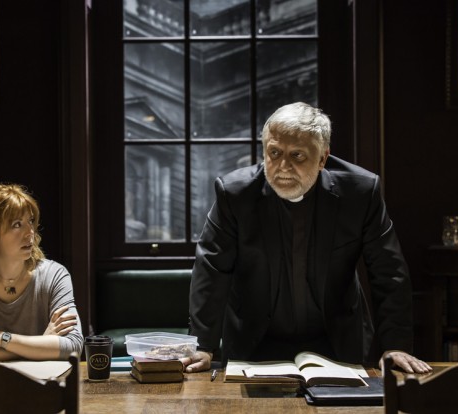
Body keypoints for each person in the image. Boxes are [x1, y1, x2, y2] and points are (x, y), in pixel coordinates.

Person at [184, 102, 432, 375]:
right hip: (254, 339)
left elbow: (388, 271)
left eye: (297, 156)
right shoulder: (235, 194)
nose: (283, 166)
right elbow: (212, 268)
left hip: (336, 338)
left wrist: (396, 345)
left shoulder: (360, 193)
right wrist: (203, 345)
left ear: (323, 159)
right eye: (274, 153)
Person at [0, 183, 84, 363]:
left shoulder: (55, 275)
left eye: (31, 221)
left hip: (43, 386)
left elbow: (73, 347)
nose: (30, 233)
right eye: (17, 224)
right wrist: (40, 345)